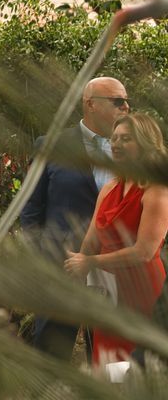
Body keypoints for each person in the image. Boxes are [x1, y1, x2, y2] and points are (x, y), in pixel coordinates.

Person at [20, 76, 130, 360]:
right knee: (50, 352)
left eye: (127, 101)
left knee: (111, 355)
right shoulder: (51, 145)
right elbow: (31, 208)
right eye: (118, 101)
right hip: (62, 266)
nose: (126, 107)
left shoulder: (131, 150)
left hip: (113, 268)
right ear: (91, 104)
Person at [65, 113, 168, 365]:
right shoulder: (110, 187)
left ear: (144, 144)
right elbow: (91, 240)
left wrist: (90, 262)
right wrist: (77, 264)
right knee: (107, 362)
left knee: (136, 365)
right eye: (114, 139)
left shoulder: (157, 188)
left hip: (142, 290)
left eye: (126, 139)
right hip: (107, 290)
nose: (117, 144)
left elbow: (144, 251)